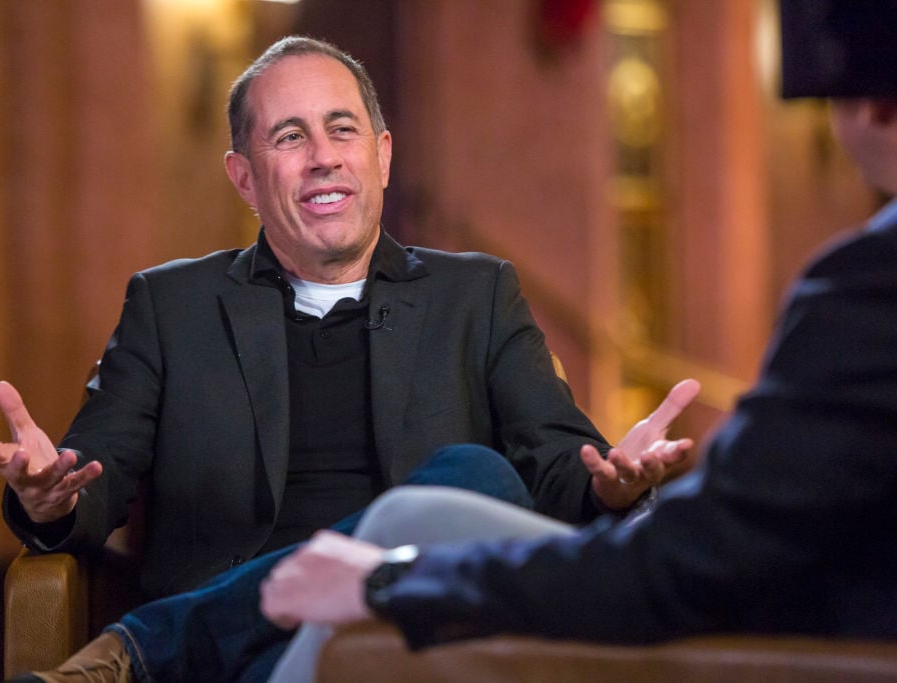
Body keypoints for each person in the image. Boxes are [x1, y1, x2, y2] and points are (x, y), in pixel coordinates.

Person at [0, 36, 699, 682]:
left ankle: (147, 648)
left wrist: (614, 488)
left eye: (341, 129)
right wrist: (54, 498)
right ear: (244, 177)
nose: (322, 155)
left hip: (418, 643)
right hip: (252, 663)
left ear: (382, 156)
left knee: (477, 476)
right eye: (290, 136)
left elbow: (559, 473)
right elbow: (94, 474)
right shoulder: (171, 305)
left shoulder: (476, 295)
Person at [258, 4, 897, 680]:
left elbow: (686, 565)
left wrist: (390, 583)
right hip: (791, 603)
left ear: (874, 105)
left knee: (406, 529)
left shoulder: (872, 282)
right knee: (416, 512)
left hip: (796, 642)